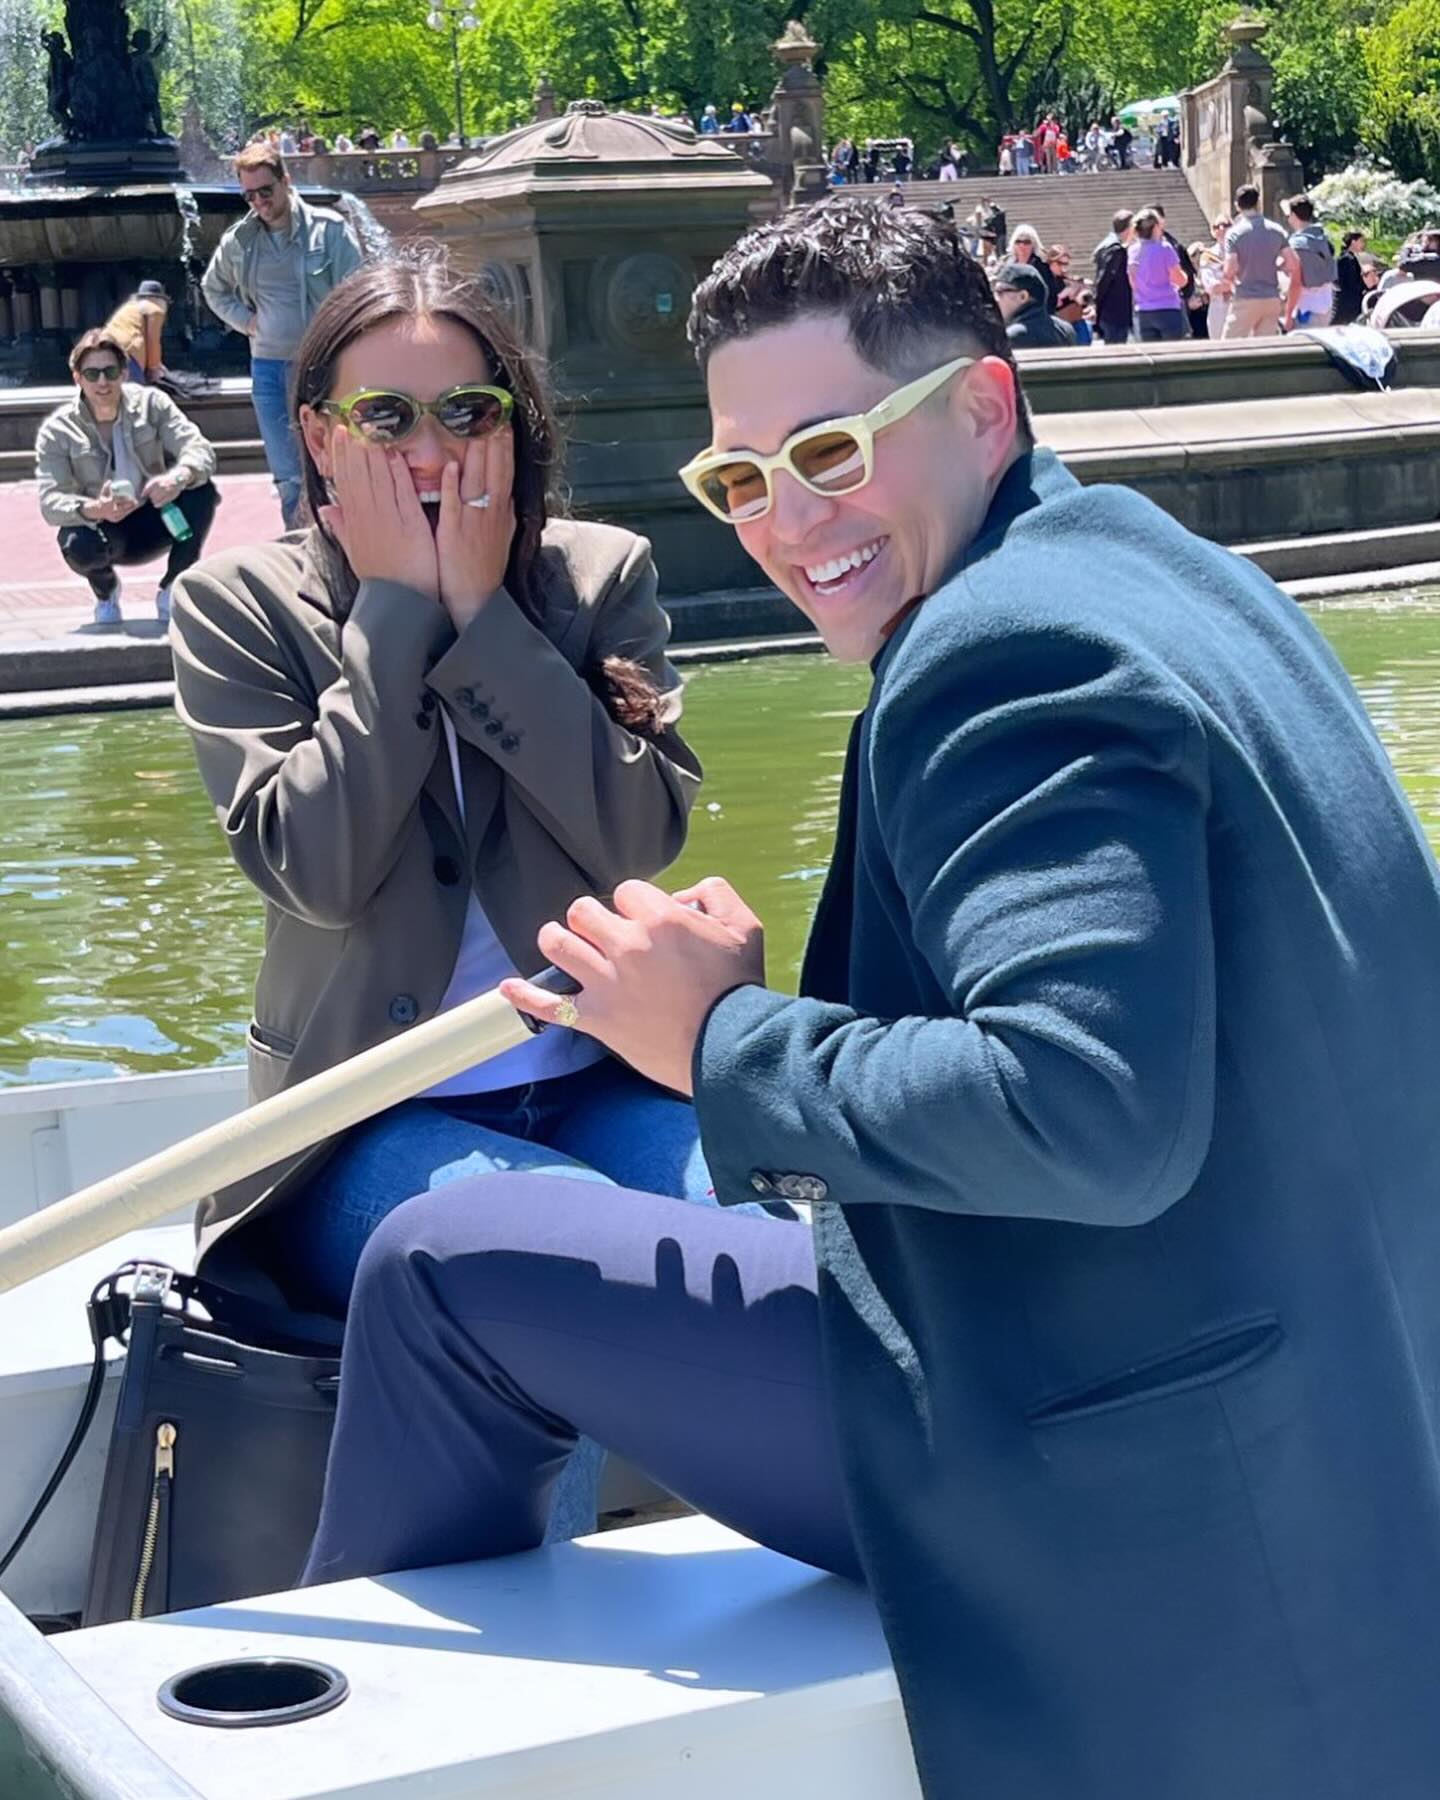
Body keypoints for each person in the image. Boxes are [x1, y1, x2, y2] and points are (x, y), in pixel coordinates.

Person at [303, 192, 1440, 1800]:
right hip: (1343, 1418)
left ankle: (339, 1752)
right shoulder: (1184, 576)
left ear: (985, 406)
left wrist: (718, 1036)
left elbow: (1088, 1109)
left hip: (1117, 1455)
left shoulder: (1002, 652)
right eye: (741, 477)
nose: (785, 522)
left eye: (833, 452)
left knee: (445, 1257)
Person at [169, 249, 760, 1533]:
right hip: (360, 1121)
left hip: (602, 1077)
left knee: (767, 1221)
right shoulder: (237, 608)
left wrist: (489, 619)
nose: (429, 452)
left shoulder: (595, 578)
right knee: (563, 1252)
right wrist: (394, 612)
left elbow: (636, 836)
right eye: (385, 418)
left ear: (513, 423)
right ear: (319, 436)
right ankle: (542, 1631)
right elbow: (317, 872)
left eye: (464, 412)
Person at [202, 143, 363, 527]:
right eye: (249, 195)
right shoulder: (240, 241)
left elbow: (358, 290)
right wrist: (245, 321)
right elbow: (213, 288)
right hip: (269, 370)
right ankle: (300, 551)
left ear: (286, 182)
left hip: (322, 367)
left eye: (266, 191)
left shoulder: (329, 230)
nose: (259, 202)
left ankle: (347, 546)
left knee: (335, 468)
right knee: (289, 478)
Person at [36, 327, 218, 626]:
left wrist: (177, 478)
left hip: (158, 515)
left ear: (123, 374)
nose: (103, 382)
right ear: (77, 378)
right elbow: (50, 502)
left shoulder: (153, 404)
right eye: (92, 374)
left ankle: (172, 586)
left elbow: (198, 448)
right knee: (75, 541)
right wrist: (95, 509)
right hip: (106, 529)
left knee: (202, 490)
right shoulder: (57, 431)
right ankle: (106, 591)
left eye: (110, 372)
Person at [1221, 183, 1297, 339]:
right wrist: (1275, 266)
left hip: (1246, 296)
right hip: (1271, 298)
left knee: (1229, 346)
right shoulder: (1277, 230)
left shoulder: (1234, 234)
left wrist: (1229, 281)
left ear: (1237, 205)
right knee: (1265, 347)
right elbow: (1292, 263)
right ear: (1258, 203)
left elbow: (1230, 269)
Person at [1127, 206, 1187, 341]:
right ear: (1155, 227)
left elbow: (1133, 282)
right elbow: (1179, 280)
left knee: (1151, 352)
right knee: (1172, 351)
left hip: (1144, 311)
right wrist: (1185, 277)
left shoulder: (1133, 251)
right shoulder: (1165, 248)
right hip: (1168, 308)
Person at [1282, 194, 1337, 330]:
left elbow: (1296, 283)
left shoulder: (1296, 244)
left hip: (1307, 308)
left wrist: (1288, 315)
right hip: (1326, 304)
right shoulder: (1323, 237)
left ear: (1293, 215)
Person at [992, 261, 1076, 349]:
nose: (995, 299)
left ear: (1023, 296)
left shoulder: (1011, 337)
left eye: (999, 292)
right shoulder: (1065, 330)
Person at [104, 278, 170, 384]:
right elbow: (153, 341)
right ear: (159, 298)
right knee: (134, 391)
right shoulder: (155, 310)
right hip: (129, 352)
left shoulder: (128, 307)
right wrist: (154, 367)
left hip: (104, 348)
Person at [1091, 207, 1135, 344]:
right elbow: (1103, 281)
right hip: (1116, 313)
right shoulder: (1115, 251)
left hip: (1112, 312)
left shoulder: (1107, 246)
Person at [1194, 216, 1233, 338]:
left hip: (1240, 306)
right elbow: (1211, 286)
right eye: (1217, 227)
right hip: (1219, 307)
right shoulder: (1208, 256)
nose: (1221, 229)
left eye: (1226, 225)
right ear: (1212, 232)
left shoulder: (1243, 252)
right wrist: (1235, 285)